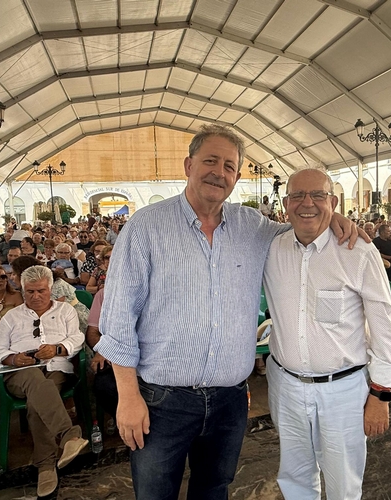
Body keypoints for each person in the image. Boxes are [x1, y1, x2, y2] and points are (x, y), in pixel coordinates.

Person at [95, 124, 365, 500]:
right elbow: (118, 320)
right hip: (162, 402)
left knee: (214, 490)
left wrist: (329, 215)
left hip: (229, 402)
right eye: (210, 161)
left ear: (236, 177)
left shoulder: (252, 226)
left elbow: (302, 225)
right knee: (155, 495)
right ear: (188, 165)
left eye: (229, 166)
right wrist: (128, 396)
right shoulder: (146, 227)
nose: (219, 173)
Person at [263, 169, 391, 499]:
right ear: (286, 203)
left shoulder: (358, 251)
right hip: (286, 386)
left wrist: (381, 394)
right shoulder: (270, 249)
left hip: (343, 390)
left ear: (334, 202)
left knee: (343, 483)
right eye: (297, 195)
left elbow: (385, 324)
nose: (307, 203)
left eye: (318, 195)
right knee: (295, 476)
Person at [0, 266, 89, 497]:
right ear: (22, 290)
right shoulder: (12, 317)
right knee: (35, 378)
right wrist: (14, 358)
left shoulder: (65, 311)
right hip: (20, 373)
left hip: (56, 367)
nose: (35, 296)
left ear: (50, 289)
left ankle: (45, 465)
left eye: (41, 291)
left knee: (39, 399)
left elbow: (77, 338)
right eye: (30, 291)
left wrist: (57, 348)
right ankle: (69, 435)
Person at [85, 289, 118, 424]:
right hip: (113, 355)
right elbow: (92, 333)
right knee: (103, 385)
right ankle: (120, 419)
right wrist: (103, 349)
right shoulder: (104, 294)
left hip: (149, 358)